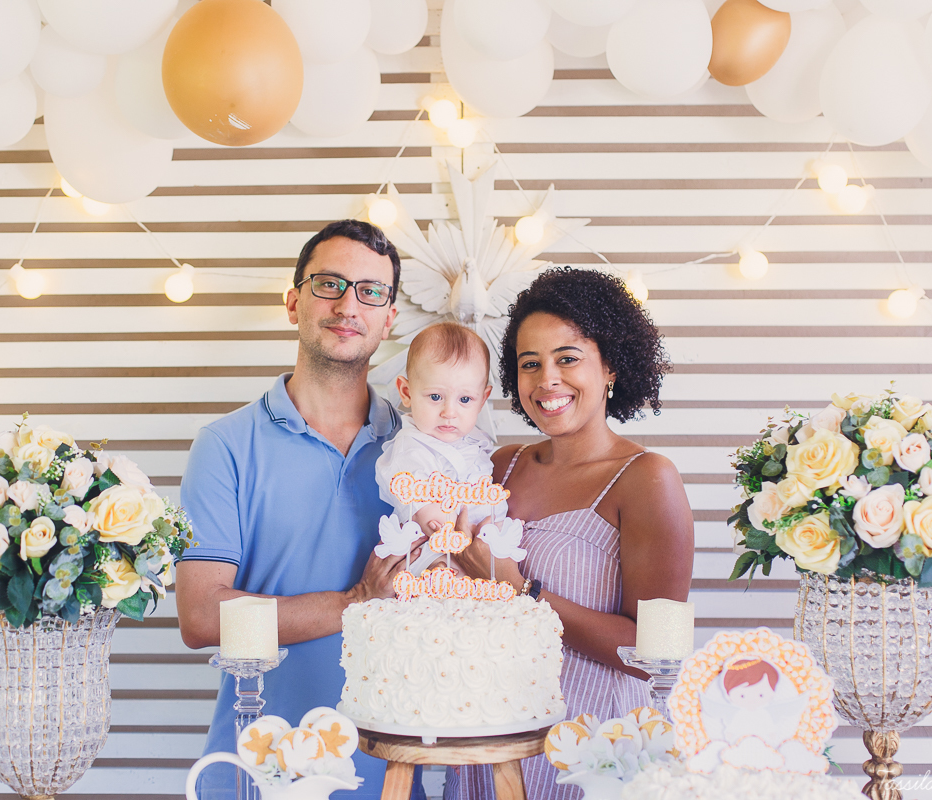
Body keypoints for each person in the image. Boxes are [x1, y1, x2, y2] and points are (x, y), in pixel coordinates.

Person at [176, 220, 425, 800]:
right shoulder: (224, 446)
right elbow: (201, 617)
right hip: (253, 771)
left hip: (386, 774)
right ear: (293, 302)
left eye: (370, 291)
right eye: (329, 284)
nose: (348, 304)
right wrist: (355, 603)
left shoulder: (417, 451)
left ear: (389, 319)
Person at [444, 267, 696, 800]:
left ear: (610, 366)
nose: (547, 380)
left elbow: (652, 652)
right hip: (490, 736)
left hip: (592, 748)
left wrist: (521, 592)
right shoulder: (498, 467)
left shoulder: (648, 479)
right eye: (529, 364)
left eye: (568, 358)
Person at [374, 322, 502, 572]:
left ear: (482, 399)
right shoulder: (409, 451)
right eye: (435, 397)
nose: (449, 413)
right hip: (430, 553)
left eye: (465, 399)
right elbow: (432, 521)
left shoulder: (475, 443)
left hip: (481, 552)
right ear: (406, 392)